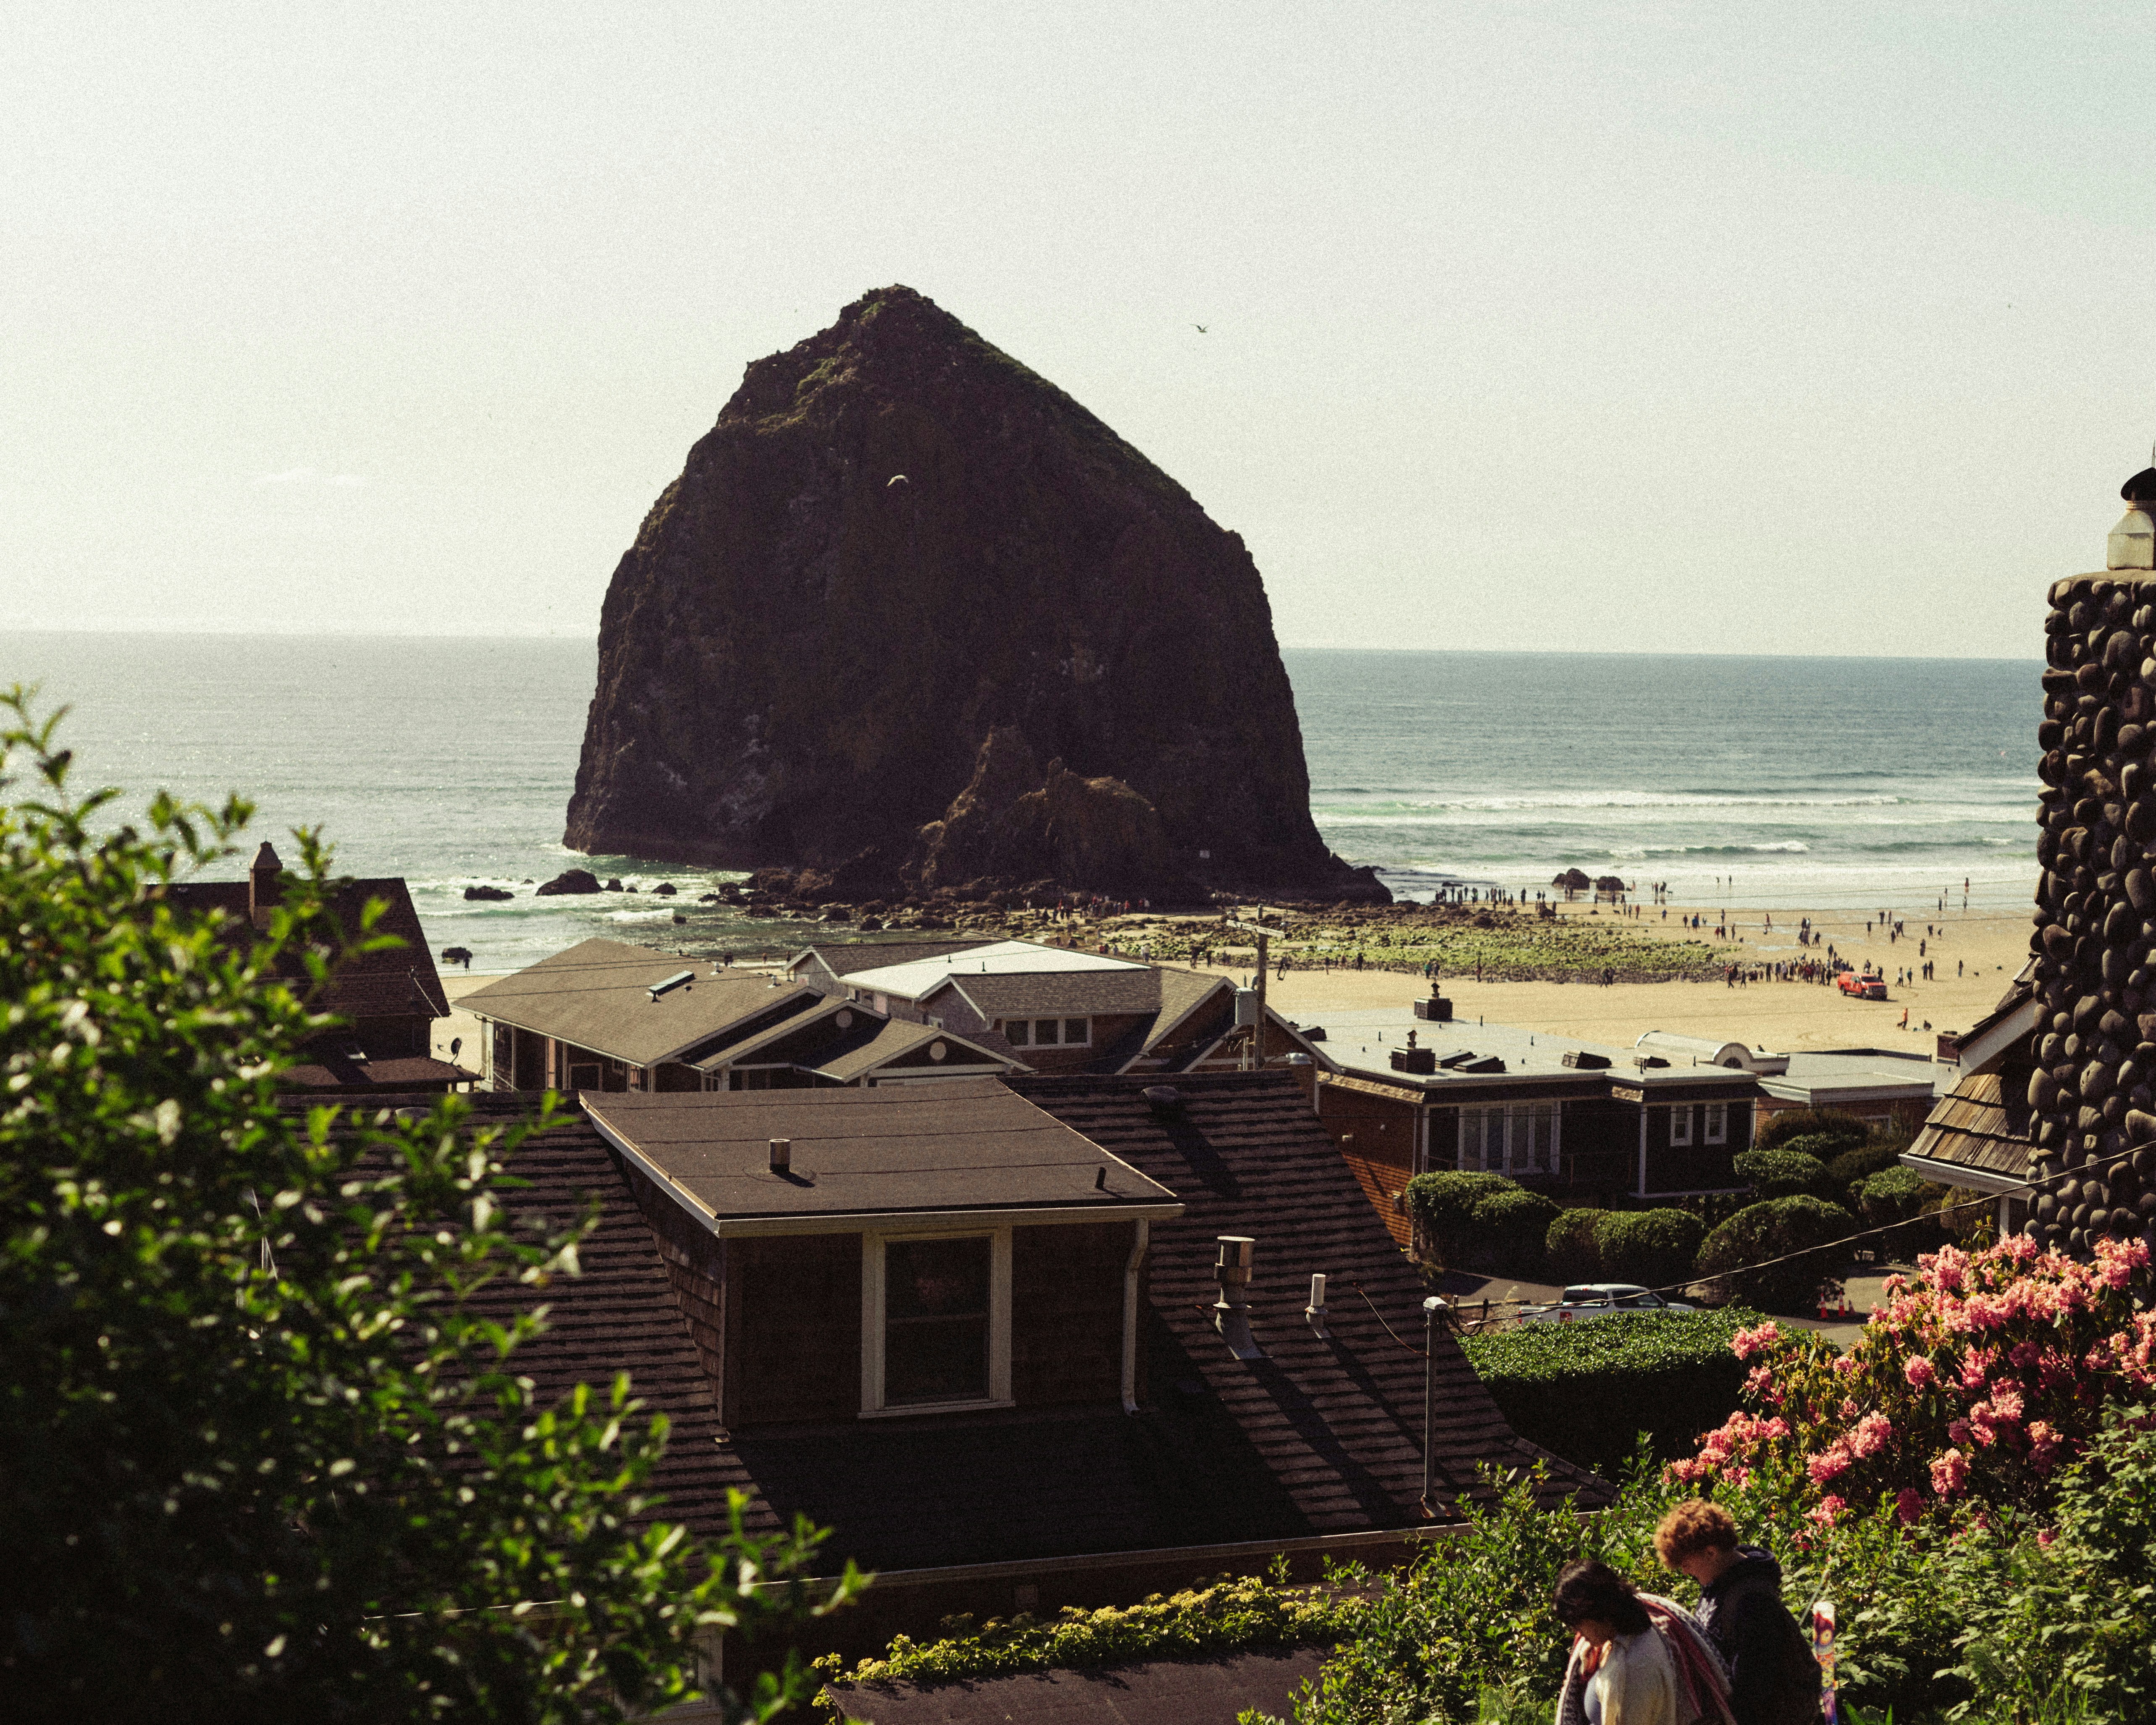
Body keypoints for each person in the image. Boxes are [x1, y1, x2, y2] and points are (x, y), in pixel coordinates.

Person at [1655, 1501, 1819, 1725]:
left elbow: (1755, 1687)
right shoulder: (1716, 1583)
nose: (1684, 1571)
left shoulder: (1752, 1602)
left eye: (1685, 1563)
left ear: (1711, 1552)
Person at [1553, 1559, 1732, 1725]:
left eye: (1578, 1623)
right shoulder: (1618, 1640)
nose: (1579, 1634)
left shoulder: (1637, 1665)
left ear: (1598, 1613)